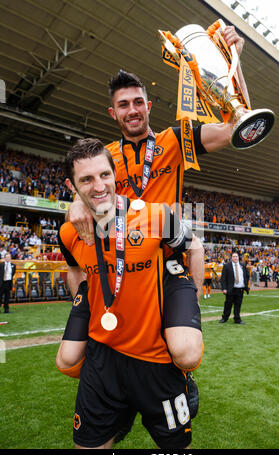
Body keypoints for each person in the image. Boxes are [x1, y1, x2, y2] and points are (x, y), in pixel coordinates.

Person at [57, 25, 249, 412]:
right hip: (121, 266)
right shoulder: (106, 156)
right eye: (124, 104)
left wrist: (234, 63)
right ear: (114, 113)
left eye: (138, 102)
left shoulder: (174, 142)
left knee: (182, 352)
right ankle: (113, 390)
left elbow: (236, 127)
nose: (132, 110)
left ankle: (178, 365)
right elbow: (83, 190)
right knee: (74, 360)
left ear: (148, 106)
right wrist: (73, 204)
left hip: (168, 259)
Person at [57, 138, 203, 449]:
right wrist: (82, 304)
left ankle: (182, 379)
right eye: (87, 179)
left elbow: (195, 247)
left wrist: (192, 300)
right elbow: (73, 268)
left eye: (105, 175)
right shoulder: (69, 232)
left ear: (114, 174)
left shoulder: (154, 216)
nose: (99, 186)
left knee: (176, 450)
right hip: (102, 354)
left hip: (154, 358)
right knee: (67, 362)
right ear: (72, 185)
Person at [219, 251, 249, 324]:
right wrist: (224, 288)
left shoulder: (243, 265)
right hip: (231, 289)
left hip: (240, 289)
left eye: (236, 256)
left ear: (238, 257)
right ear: (231, 258)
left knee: (238, 305)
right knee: (228, 304)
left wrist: (245, 285)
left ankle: (237, 319)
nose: (235, 258)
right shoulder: (227, 266)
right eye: (234, 256)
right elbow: (223, 278)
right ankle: (225, 318)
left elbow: (247, 276)